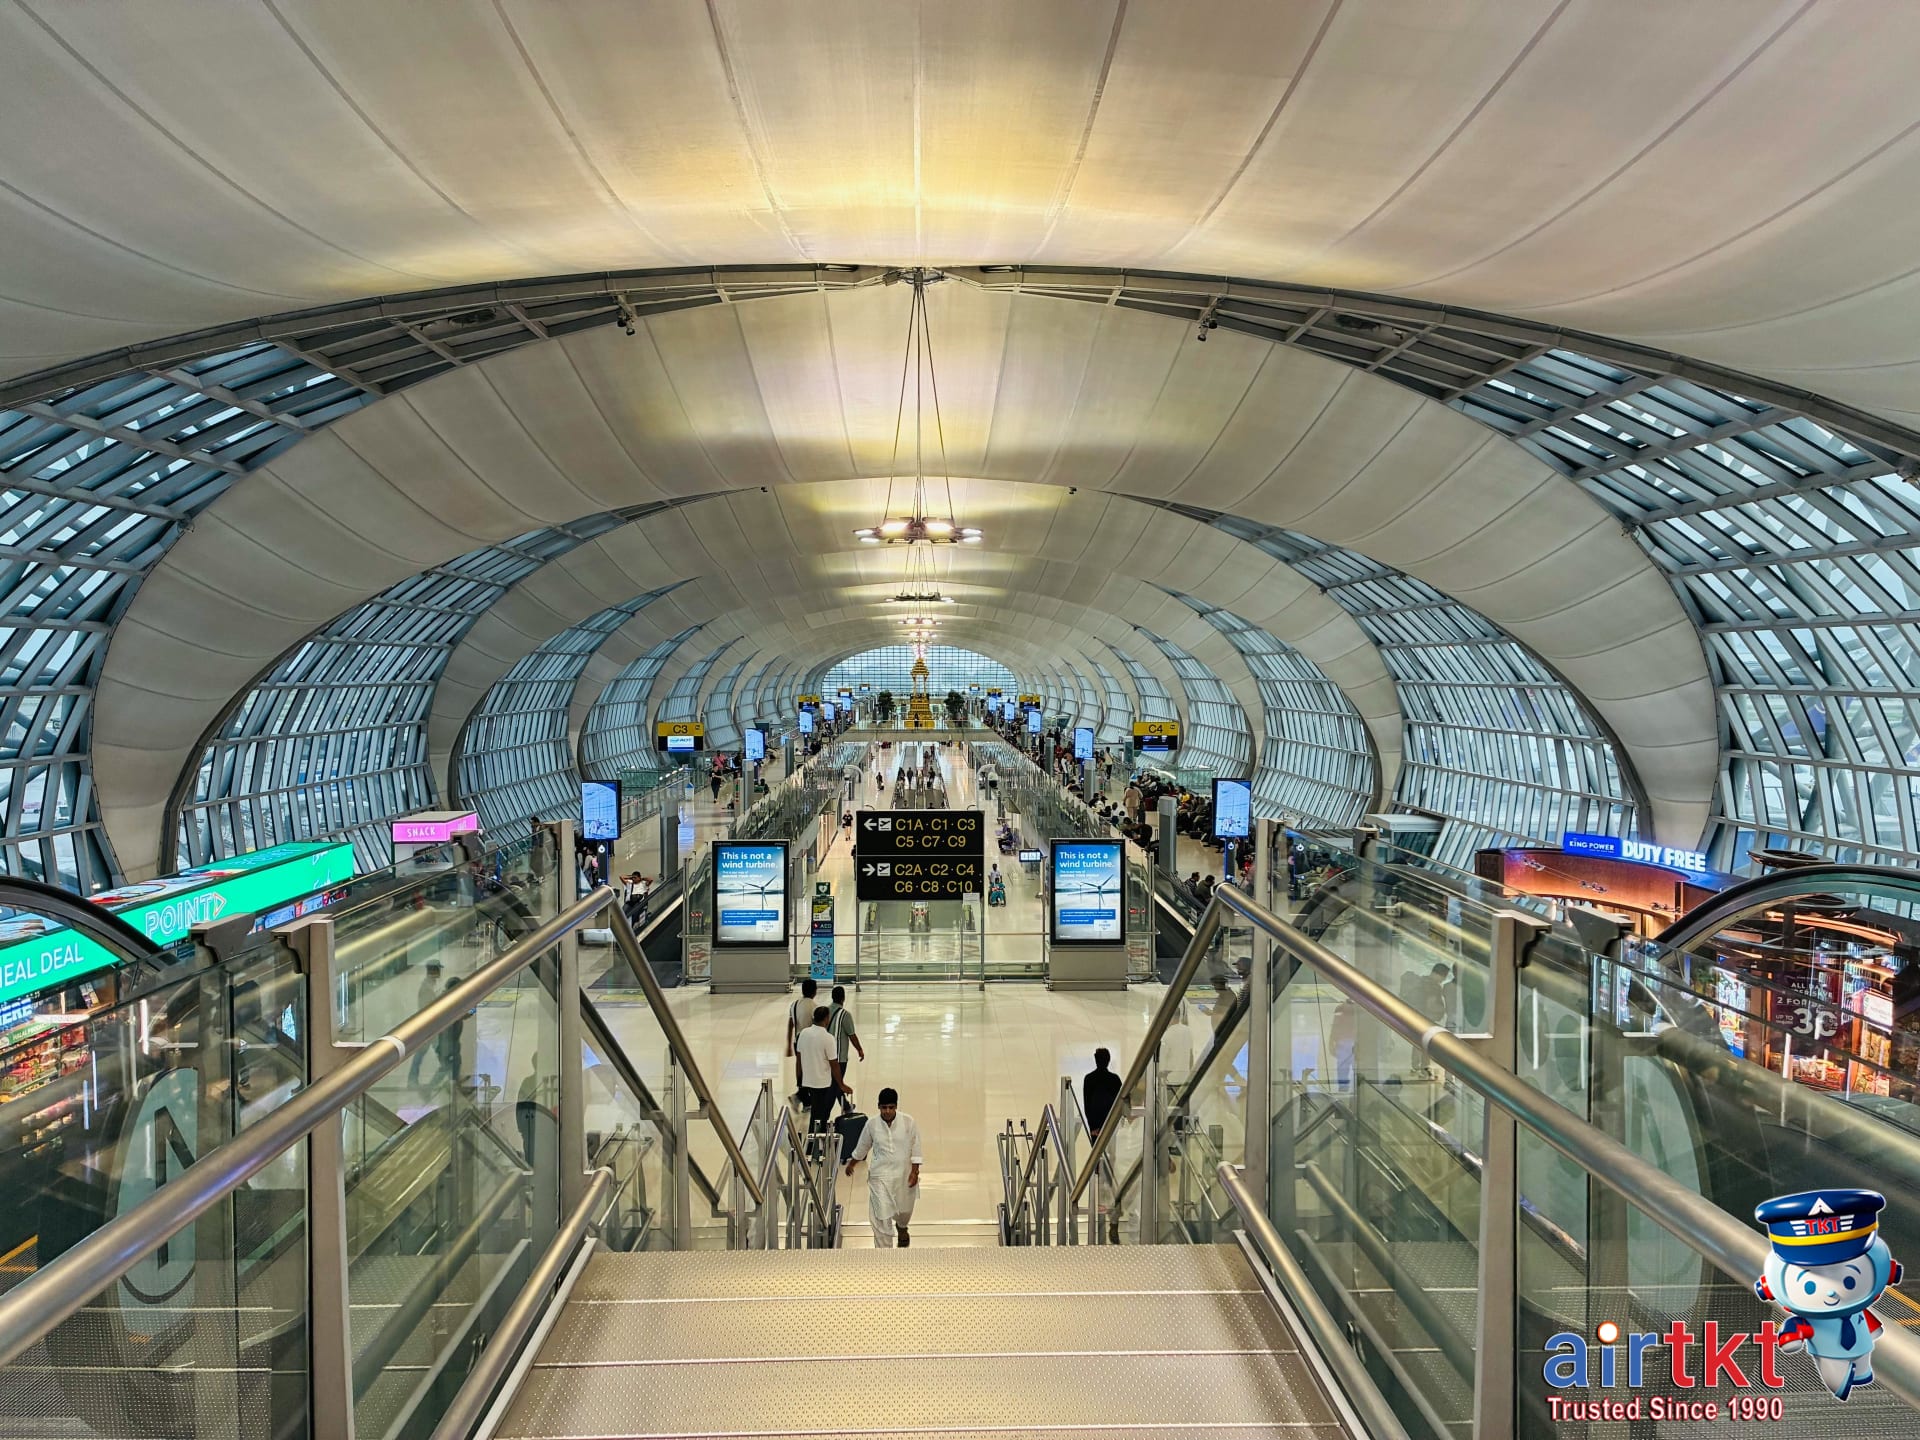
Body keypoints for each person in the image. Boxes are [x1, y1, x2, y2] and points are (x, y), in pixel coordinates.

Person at [844, 1086, 922, 1248]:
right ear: (878, 1107)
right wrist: (852, 1163)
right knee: (881, 1216)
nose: (887, 1111)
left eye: (891, 1108)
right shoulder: (872, 1124)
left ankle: (902, 1227)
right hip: (880, 1177)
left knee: (904, 1210)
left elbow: (916, 1146)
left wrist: (915, 1171)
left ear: (896, 1107)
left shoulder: (908, 1122)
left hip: (904, 1175)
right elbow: (863, 1146)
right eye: (884, 1108)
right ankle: (884, 1253)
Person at [794, 1005, 845, 1132]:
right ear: (826, 1019)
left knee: (817, 1112)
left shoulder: (803, 1034)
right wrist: (841, 1084)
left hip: (808, 1081)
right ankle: (815, 1142)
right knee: (820, 1114)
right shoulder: (828, 1038)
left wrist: (799, 1079)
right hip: (822, 1083)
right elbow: (834, 1064)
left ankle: (815, 1139)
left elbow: (798, 1059)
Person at [408, 961, 446, 1085]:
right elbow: (427, 1008)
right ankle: (414, 1081)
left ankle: (413, 1080)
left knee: (423, 1053)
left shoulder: (430, 985)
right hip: (429, 1027)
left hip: (430, 1027)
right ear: (433, 971)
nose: (440, 972)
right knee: (438, 1054)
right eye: (438, 970)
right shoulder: (426, 988)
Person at [828, 984, 865, 1090]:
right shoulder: (845, 1015)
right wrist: (859, 1050)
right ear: (843, 998)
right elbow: (852, 1035)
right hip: (839, 1057)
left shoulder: (824, 1011)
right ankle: (833, 1106)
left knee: (836, 1084)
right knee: (837, 1085)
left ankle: (846, 1106)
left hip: (826, 1055)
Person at [786, 978, 819, 1090]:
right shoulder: (814, 1007)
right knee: (809, 1068)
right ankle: (803, 1094)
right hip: (809, 1042)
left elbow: (791, 1024)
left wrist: (789, 1045)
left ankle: (800, 1088)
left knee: (799, 1064)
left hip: (797, 1040)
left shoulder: (794, 1005)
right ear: (814, 991)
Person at [1083, 1047, 1121, 1136]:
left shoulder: (1089, 1079)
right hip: (1112, 1125)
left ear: (1096, 1060)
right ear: (1108, 1060)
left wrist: (1092, 1127)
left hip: (1095, 1128)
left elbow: (1087, 1105)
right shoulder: (1114, 1079)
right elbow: (1119, 1102)